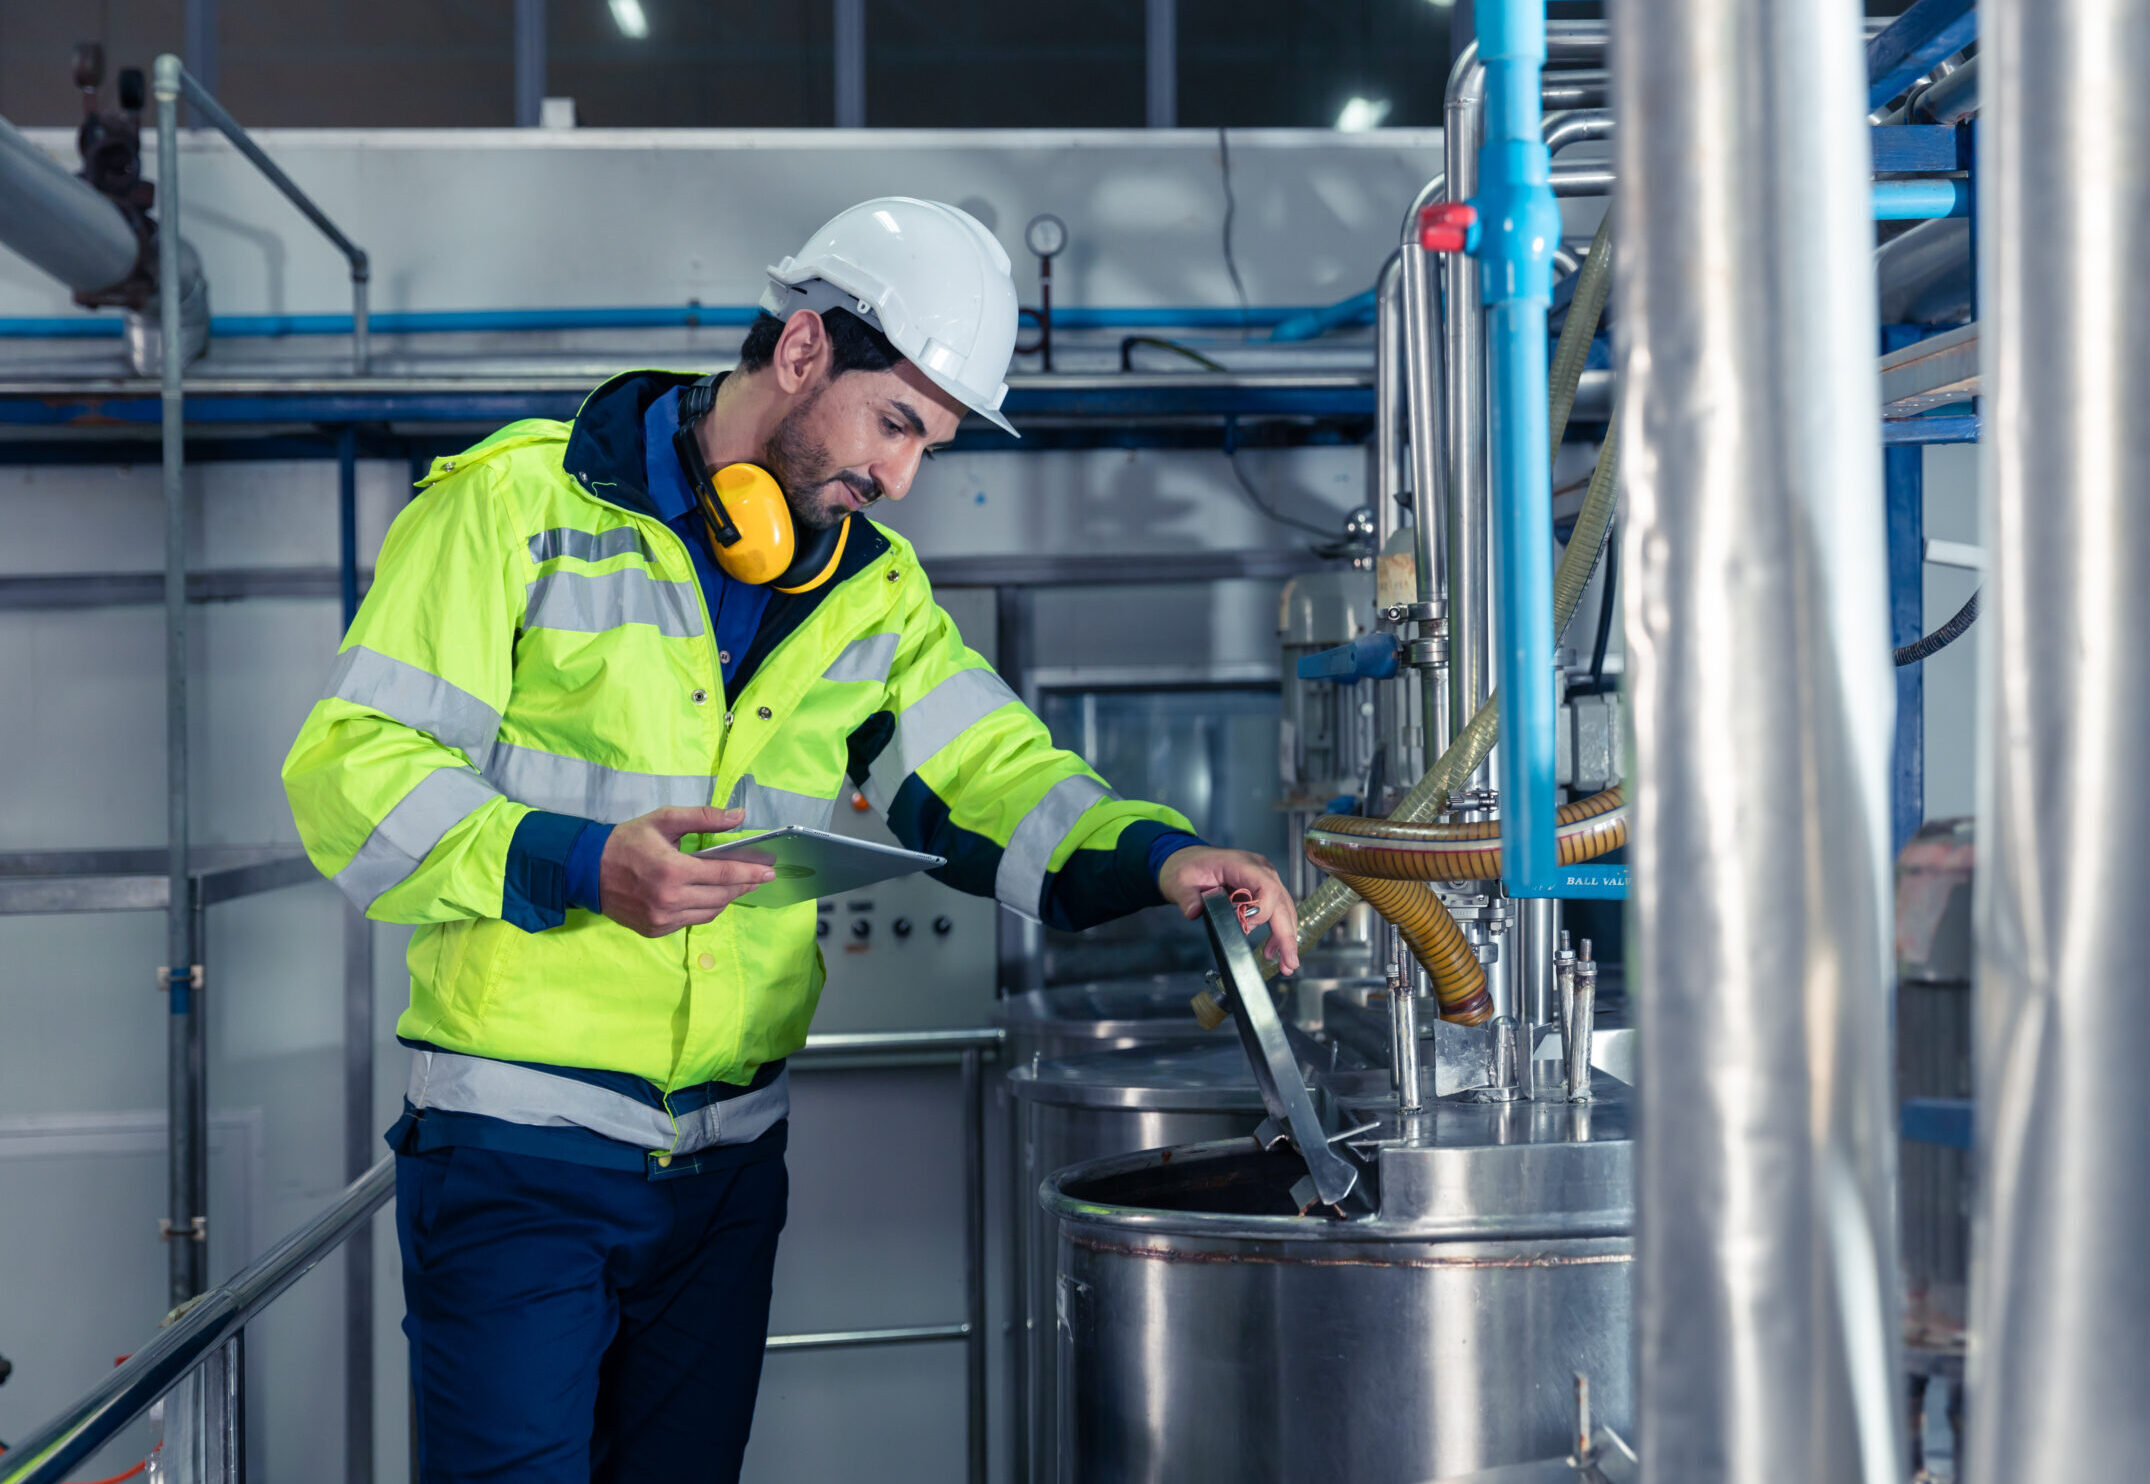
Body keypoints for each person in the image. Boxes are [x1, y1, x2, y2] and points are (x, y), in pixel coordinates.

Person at [281, 197, 1298, 1484]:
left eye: (927, 445)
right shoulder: (514, 508)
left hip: (725, 1167)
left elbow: (988, 774)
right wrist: (581, 861)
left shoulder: (868, 591)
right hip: (519, 1151)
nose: (900, 480)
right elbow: (354, 770)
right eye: (895, 424)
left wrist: (1156, 855)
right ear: (805, 348)